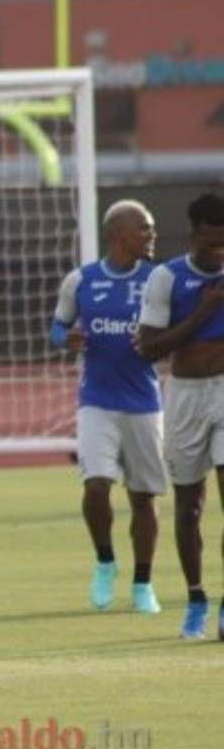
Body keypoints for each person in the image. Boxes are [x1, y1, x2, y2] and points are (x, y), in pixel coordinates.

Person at [51, 201, 165, 614]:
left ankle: (143, 583)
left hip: (144, 402)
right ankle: (104, 562)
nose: (152, 235)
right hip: (96, 401)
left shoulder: (158, 279)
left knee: (143, 498)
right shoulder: (81, 280)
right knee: (96, 485)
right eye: (144, 228)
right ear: (119, 234)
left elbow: (173, 330)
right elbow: (58, 327)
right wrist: (67, 339)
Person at [136, 192, 224, 640]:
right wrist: (205, 310)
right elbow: (149, 348)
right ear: (193, 236)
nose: (218, 252)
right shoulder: (167, 278)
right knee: (189, 509)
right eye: (211, 243)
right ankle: (196, 598)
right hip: (185, 396)